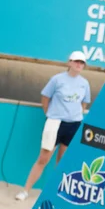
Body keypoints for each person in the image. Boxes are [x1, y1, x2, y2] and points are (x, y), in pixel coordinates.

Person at [15, 51, 91, 201]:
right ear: (69, 62)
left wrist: (76, 114)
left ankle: (57, 194)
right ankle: (25, 190)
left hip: (73, 124)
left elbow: (84, 103)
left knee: (63, 161)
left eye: (81, 62)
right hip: (55, 123)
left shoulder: (84, 83)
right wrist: (50, 113)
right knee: (43, 158)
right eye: (76, 61)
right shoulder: (57, 79)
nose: (79, 65)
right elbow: (45, 97)